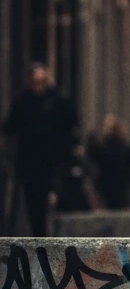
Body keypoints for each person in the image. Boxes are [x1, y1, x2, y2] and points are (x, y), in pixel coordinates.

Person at [2, 64, 76, 235]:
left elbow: (69, 119)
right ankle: (39, 233)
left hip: (51, 159)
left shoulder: (55, 101)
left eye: (42, 81)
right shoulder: (24, 101)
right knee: (33, 199)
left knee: (52, 193)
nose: (39, 86)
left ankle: (52, 232)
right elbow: (10, 126)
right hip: (29, 160)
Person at [88, 115, 130, 210]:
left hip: (110, 185)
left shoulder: (105, 146)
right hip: (117, 185)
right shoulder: (126, 147)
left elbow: (93, 158)